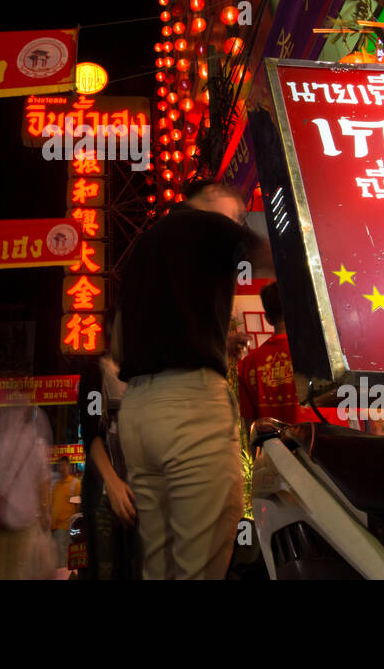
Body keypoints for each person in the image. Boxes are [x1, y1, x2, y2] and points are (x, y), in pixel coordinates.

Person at [115, 179, 272, 580]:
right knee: (199, 562)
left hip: (137, 413)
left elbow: (119, 345)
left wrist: (214, 337)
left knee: (158, 565)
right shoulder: (205, 225)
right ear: (210, 196)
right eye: (237, 213)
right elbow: (275, 259)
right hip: (189, 410)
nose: (238, 221)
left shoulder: (143, 247)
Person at [78, 350, 140, 580]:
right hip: (103, 494)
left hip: (138, 493)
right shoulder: (96, 372)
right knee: (106, 570)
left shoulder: (141, 374)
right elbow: (91, 432)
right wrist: (113, 484)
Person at [0, 397, 52, 579]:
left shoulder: (4, 443)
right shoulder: (39, 446)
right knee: (17, 570)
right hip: (24, 521)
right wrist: (46, 513)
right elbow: (44, 483)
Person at [237, 282, 301, 428]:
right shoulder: (319, 355)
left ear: (268, 319)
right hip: (322, 445)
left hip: (274, 449)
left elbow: (250, 427)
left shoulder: (247, 365)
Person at [49, 456, 81, 573]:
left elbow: (78, 507)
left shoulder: (75, 484)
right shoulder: (56, 485)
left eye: (64, 465)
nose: (61, 468)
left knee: (63, 560)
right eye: (60, 465)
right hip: (54, 529)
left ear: (69, 467)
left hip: (66, 528)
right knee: (57, 560)